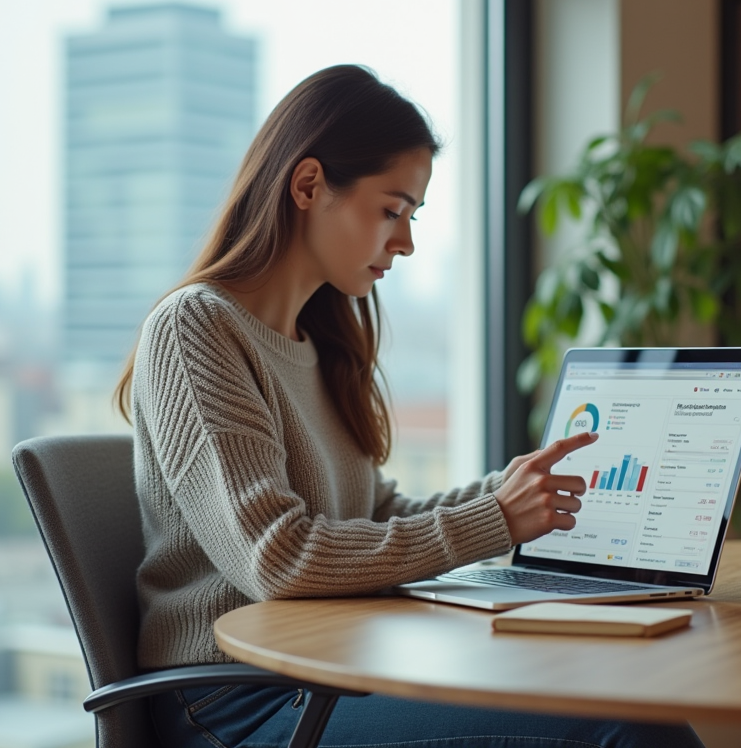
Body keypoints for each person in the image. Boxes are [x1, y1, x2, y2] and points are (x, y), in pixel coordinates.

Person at [116, 64, 703, 748]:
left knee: (619, 694)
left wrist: (513, 491)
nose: (406, 241)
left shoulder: (322, 341)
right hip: (236, 700)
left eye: (412, 216)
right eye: (391, 210)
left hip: (335, 670)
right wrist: (494, 518)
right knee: (618, 726)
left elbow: (379, 517)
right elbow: (277, 559)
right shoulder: (197, 327)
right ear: (309, 186)